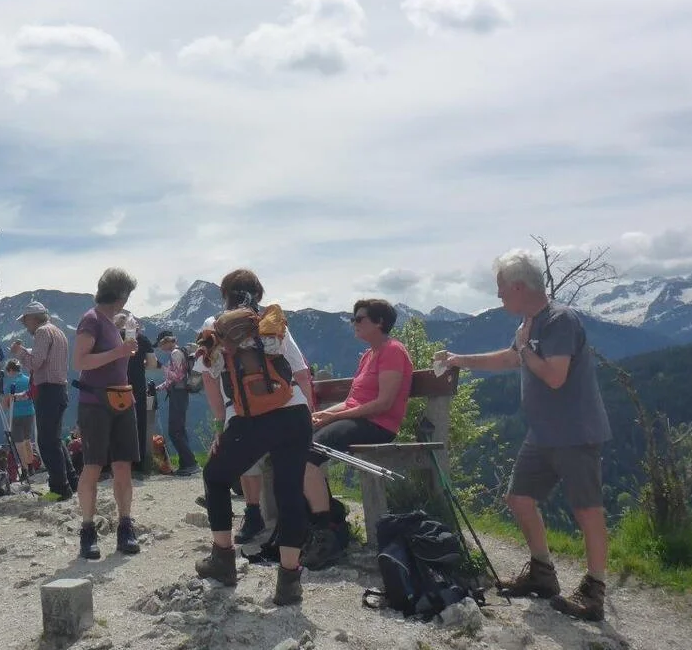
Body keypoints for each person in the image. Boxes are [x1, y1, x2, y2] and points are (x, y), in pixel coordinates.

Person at [437, 250, 612, 622]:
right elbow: (508, 359)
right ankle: (542, 573)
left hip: (575, 433)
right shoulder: (532, 325)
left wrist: (524, 347)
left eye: (501, 289)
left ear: (518, 286)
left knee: (586, 509)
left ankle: (594, 590)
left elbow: (554, 375)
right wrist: (458, 359)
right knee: (518, 498)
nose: (499, 296)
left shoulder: (559, 320)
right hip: (543, 434)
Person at [193, 269, 315, 606]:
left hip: (251, 420)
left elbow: (208, 381)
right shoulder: (270, 321)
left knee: (215, 477)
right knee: (290, 491)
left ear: (225, 295)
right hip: (294, 413)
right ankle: (289, 582)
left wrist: (221, 427)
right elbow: (302, 372)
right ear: (258, 293)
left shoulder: (214, 325)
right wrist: (310, 418)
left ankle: (222, 561)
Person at [301, 298, 413, 568]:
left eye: (359, 319)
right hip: (360, 421)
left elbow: (383, 403)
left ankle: (326, 531)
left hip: (378, 426)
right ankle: (332, 518)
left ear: (380, 322)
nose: (354, 323)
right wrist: (322, 415)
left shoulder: (393, 351)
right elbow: (353, 401)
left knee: (309, 454)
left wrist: (334, 416)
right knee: (297, 444)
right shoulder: (368, 355)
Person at [70, 268, 143, 559]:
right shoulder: (91, 320)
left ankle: (125, 525)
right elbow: (80, 361)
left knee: (123, 465)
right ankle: (87, 530)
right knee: (93, 465)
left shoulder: (114, 322)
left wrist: (124, 350)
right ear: (121, 294)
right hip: (96, 402)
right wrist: (119, 352)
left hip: (122, 400)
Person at [11, 300, 78, 501]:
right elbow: (46, 358)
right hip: (59, 389)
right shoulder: (57, 331)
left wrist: (20, 353)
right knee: (55, 439)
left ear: (33, 318)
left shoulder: (41, 332)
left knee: (47, 442)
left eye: (25, 321)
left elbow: (36, 363)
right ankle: (72, 481)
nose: (25, 325)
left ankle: (59, 488)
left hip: (47, 390)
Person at [154, 330, 200, 476]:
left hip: (178, 394)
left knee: (174, 431)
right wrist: (157, 388)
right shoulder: (179, 352)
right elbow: (170, 380)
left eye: (161, 345)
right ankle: (185, 464)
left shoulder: (175, 353)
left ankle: (191, 464)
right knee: (179, 429)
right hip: (179, 393)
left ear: (166, 341)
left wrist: (160, 366)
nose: (160, 348)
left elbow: (178, 376)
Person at [120, 315, 156, 477]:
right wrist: (141, 364)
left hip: (118, 383)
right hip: (138, 384)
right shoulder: (143, 339)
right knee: (139, 422)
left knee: (118, 422)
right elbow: (152, 363)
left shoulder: (116, 337)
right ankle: (140, 464)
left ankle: (119, 464)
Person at [2, 359, 36, 469]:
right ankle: (31, 466)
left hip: (16, 415)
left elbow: (6, 404)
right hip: (30, 412)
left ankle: (24, 468)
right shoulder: (28, 380)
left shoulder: (10, 384)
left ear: (11, 370)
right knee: (27, 440)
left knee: (19, 443)